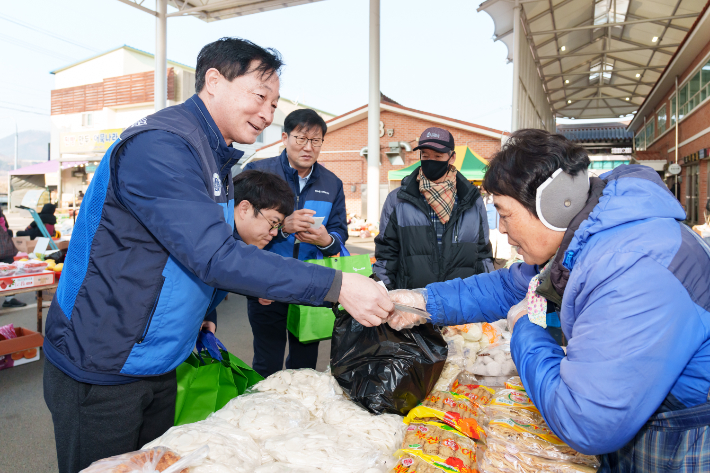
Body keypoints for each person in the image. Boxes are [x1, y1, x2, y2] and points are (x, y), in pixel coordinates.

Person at [42, 37, 392, 473]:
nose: (268, 113)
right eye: (260, 96)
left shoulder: (213, 158)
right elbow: (214, 254)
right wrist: (338, 286)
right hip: (103, 364)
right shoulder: (162, 147)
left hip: (159, 360)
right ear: (213, 81)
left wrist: (200, 307)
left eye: (274, 103)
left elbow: (178, 254)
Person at [389, 129, 710, 471]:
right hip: (642, 413)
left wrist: (526, 328)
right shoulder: (588, 239)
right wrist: (423, 303)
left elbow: (586, 422)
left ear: (555, 205)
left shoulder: (632, 267)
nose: (500, 229)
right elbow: (505, 287)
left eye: (505, 213)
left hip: (680, 435)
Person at [243, 108, 347, 377]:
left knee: (304, 365)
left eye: (316, 141)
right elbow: (238, 227)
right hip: (266, 282)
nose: (308, 147)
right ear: (284, 137)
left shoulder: (332, 183)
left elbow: (339, 232)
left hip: (310, 284)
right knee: (268, 362)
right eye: (301, 138)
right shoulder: (258, 171)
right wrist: (282, 227)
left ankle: (298, 416)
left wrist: (327, 240)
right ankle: (263, 416)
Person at [374, 127, 493, 290]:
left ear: (452, 158)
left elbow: (483, 253)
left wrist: (486, 292)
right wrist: (383, 292)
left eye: (438, 156)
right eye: (425, 155)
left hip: (461, 304)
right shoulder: (398, 199)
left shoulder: (471, 199)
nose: (431, 161)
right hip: (413, 303)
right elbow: (386, 253)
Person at [203, 169, 296, 332]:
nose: (275, 233)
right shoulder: (216, 245)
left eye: (278, 226)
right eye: (273, 222)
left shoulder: (225, 238)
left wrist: (207, 315)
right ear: (244, 208)